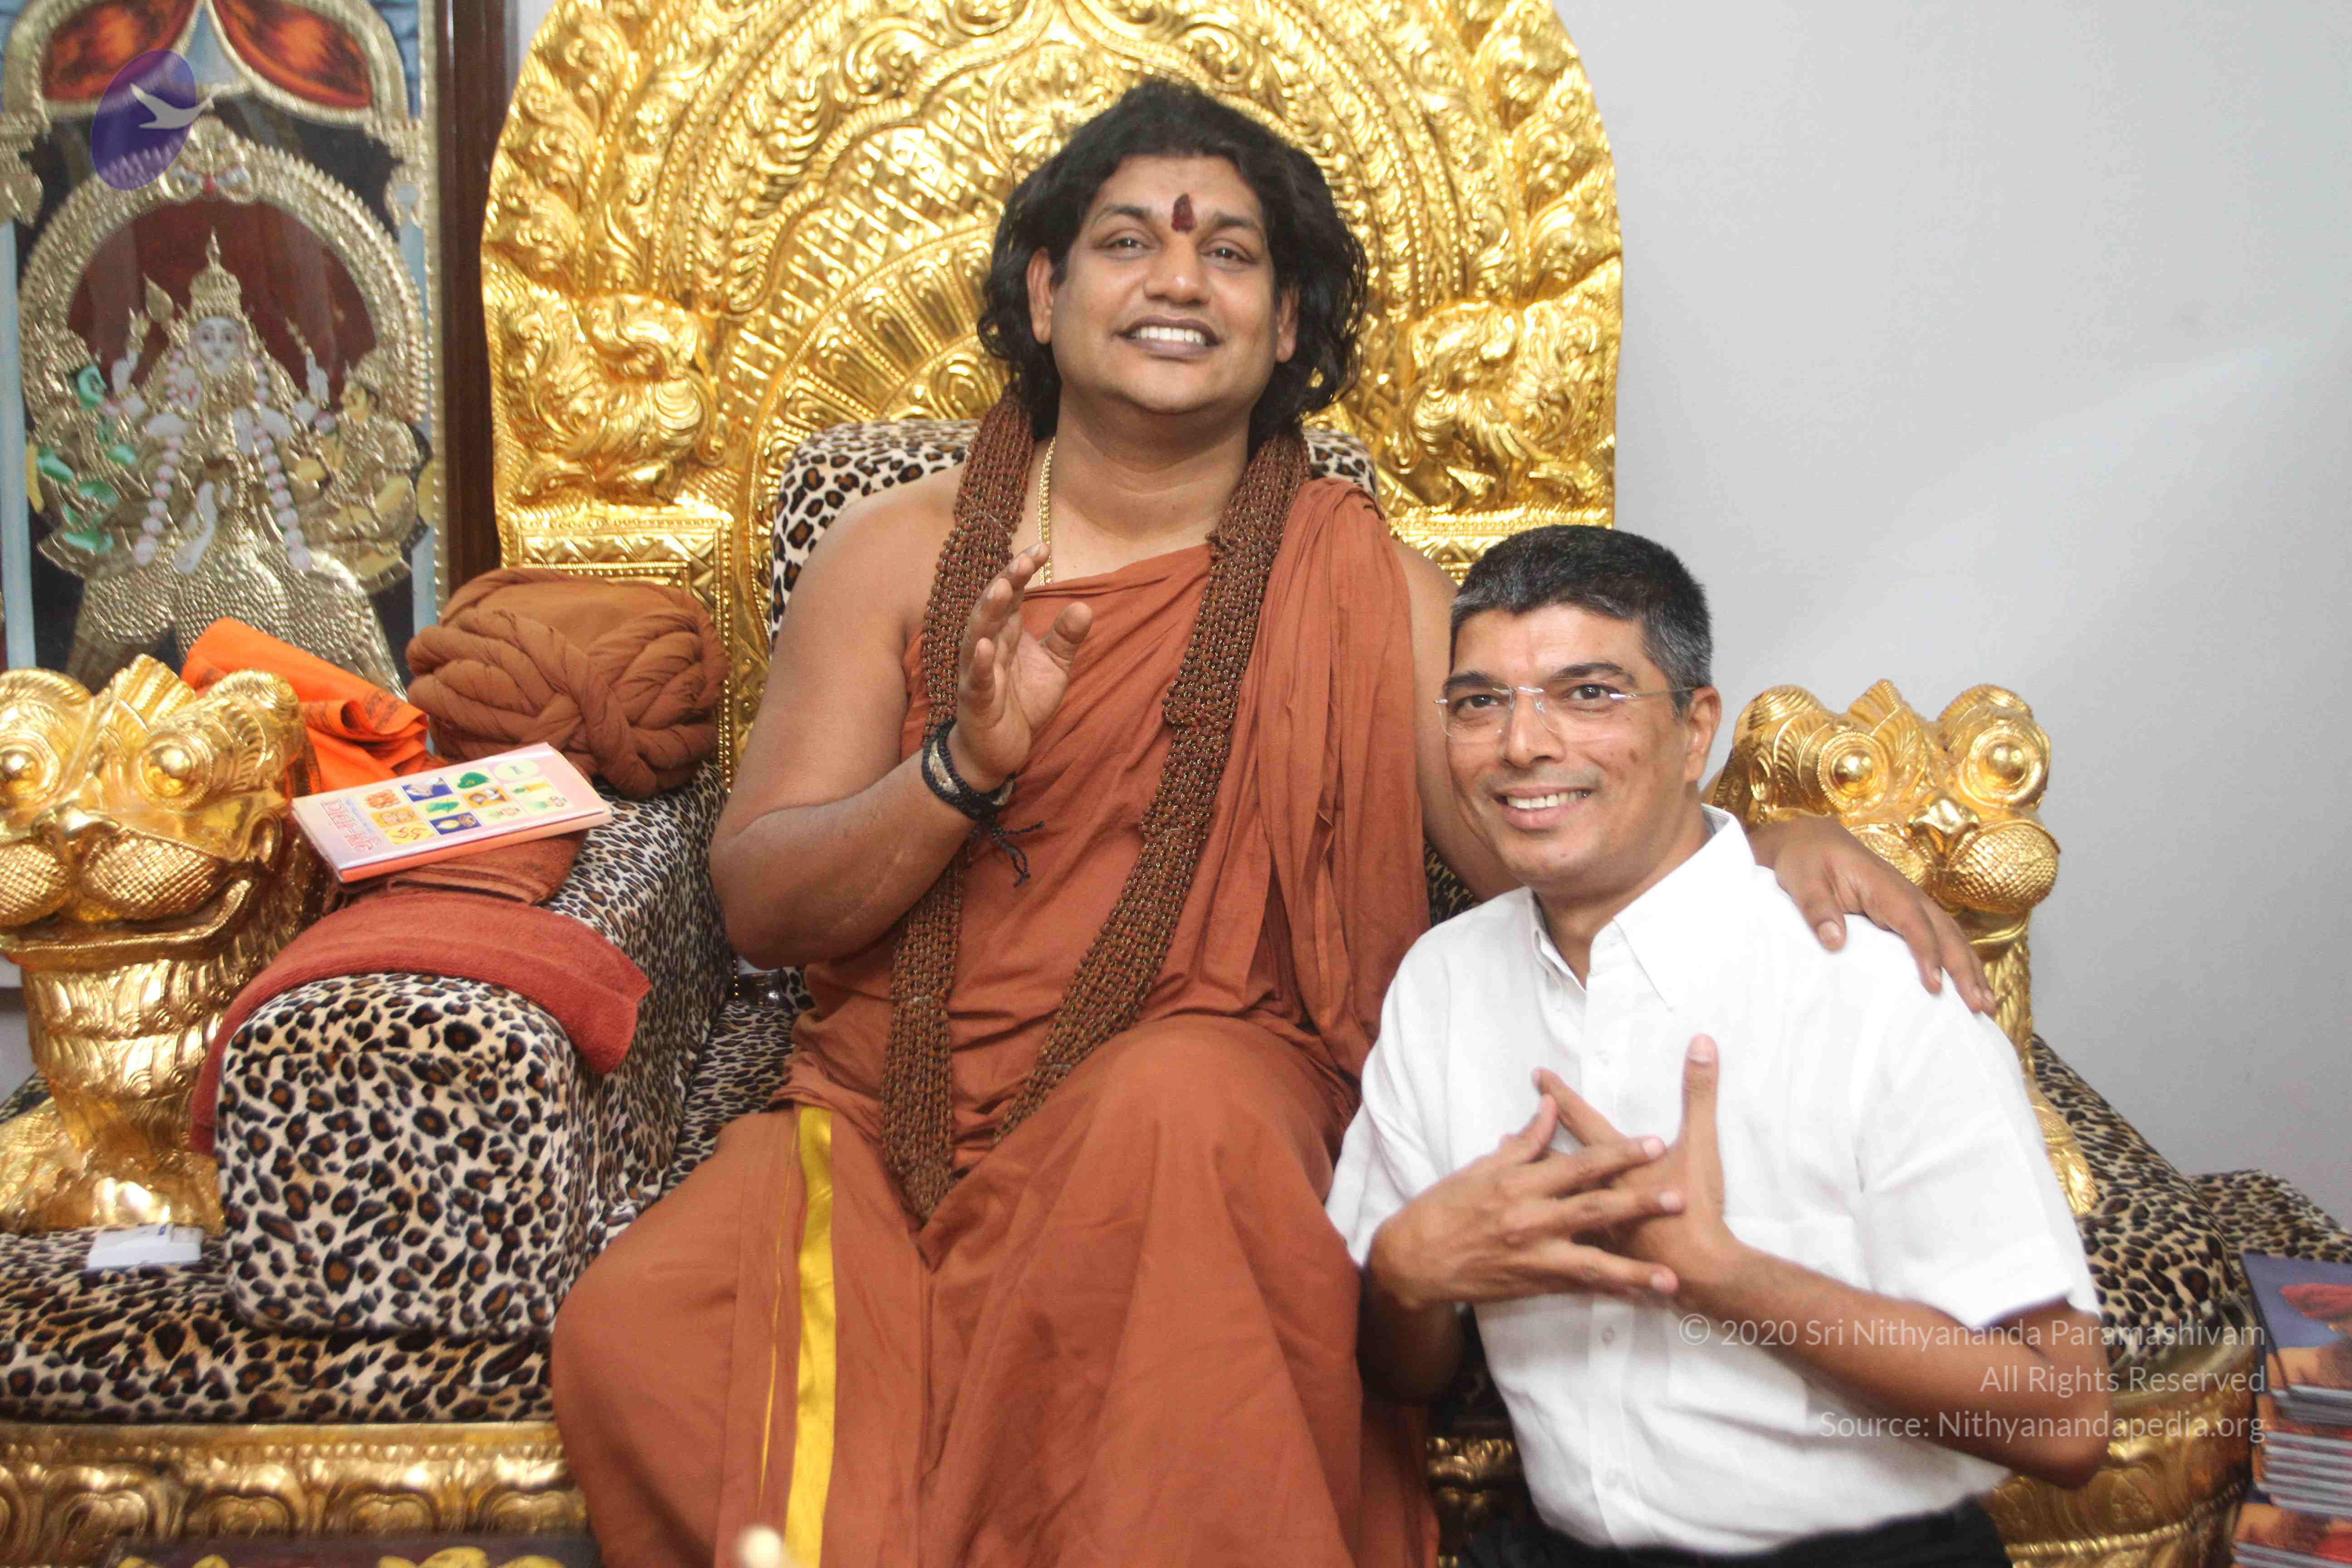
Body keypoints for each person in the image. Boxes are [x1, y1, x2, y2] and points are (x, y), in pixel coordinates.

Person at [551, 81, 1988, 1568]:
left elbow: (1541, 840)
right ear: (1045, 294)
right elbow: (762, 901)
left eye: (1229, 253)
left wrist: (1759, 851)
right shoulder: (900, 552)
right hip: (878, 1119)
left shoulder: (1360, 585)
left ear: (1289, 323)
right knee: (645, 1331)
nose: (1178, 280)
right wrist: (960, 768)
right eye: (1129, 242)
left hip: (1200, 1111)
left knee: (1172, 1109)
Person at [1329, 526, 2108, 1568]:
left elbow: (2063, 1417)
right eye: (1479, 704)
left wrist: (1724, 1275)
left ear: (1696, 729)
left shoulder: (1869, 980)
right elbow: (1404, 1371)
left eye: (1588, 694)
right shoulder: (1445, 983)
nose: (1522, 744)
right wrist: (1406, 1276)